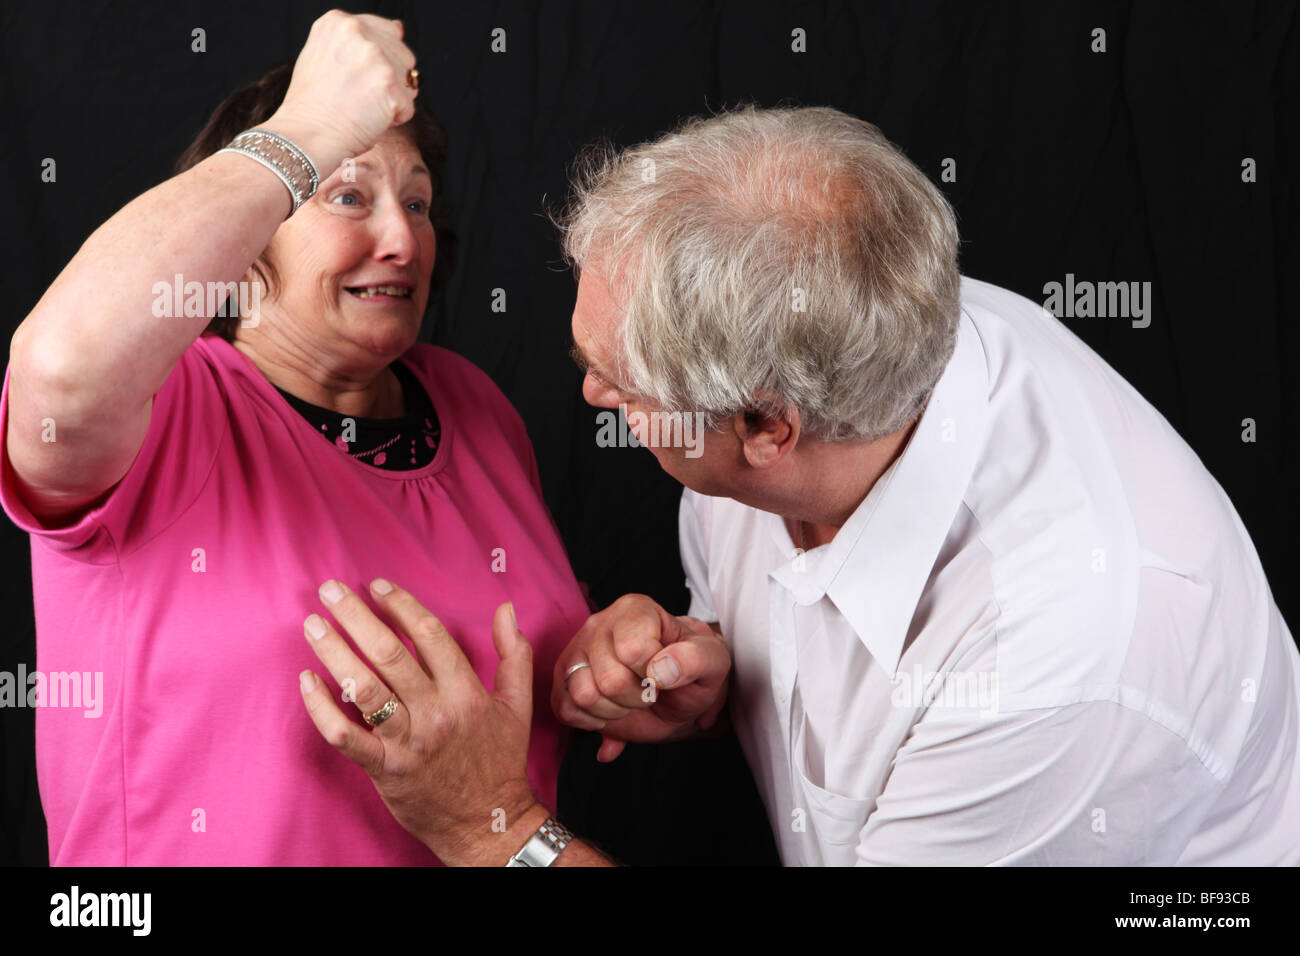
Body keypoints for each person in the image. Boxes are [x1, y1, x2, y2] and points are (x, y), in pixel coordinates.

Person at [308, 104, 1299, 866]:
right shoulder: (834, 326)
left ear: (767, 429)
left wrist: (491, 827)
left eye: (620, 379)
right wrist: (711, 672)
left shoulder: (1064, 651)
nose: (590, 392)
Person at [1, 11, 591, 865]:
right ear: (236, 247)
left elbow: (508, 672)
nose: (401, 241)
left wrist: (599, 665)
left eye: (417, 202)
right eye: (347, 195)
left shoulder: (474, 408)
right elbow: (56, 370)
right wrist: (308, 129)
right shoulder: (165, 406)